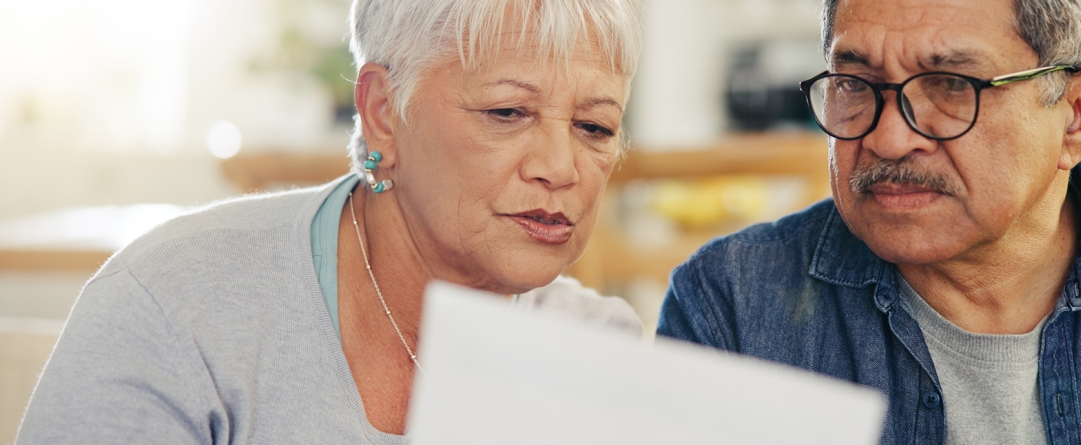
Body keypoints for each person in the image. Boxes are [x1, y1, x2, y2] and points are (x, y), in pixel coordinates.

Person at [17, 0, 642, 443]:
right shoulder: (174, 307)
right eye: (507, 111)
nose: (563, 168)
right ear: (382, 114)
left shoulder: (601, 354)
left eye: (595, 127)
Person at [658, 0, 1081, 443]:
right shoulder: (730, 305)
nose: (888, 137)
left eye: (951, 86)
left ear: (1078, 117)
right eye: (855, 84)